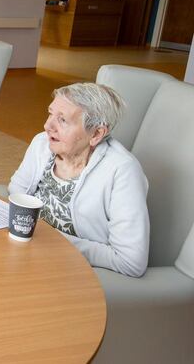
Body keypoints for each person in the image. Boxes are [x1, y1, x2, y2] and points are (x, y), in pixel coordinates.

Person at [9, 82, 149, 277]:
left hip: (73, 270)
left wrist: (50, 240)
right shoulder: (43, 143)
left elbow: (130, 261)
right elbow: (16, 193)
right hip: (26, 251)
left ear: (96, 134)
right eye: (50, 113)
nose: (47, 126)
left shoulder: (122, 171)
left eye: (63, 120)